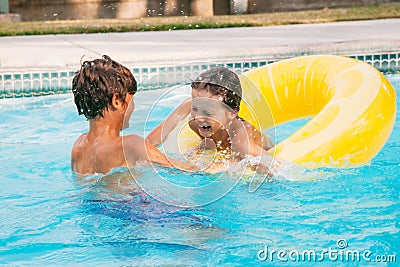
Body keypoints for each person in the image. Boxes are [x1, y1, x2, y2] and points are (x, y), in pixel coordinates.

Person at [71, 55, 206, 175]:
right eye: (132, 100)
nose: (133, 107)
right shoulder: (131, 145)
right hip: (129, 203)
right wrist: (221, 167)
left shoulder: (78, 147)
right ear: (116, 101)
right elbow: (184, 169)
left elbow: (147, 145)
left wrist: (182, 109)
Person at [146, 66, 280, 175]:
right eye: (195, 108)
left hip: (263, 146)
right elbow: (150, 142)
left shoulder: (240, 139)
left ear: (232, 112)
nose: (198, 117)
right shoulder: (192, 108)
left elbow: (273, 165)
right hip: (216, 146)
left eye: (208, 113)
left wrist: (226, 166)